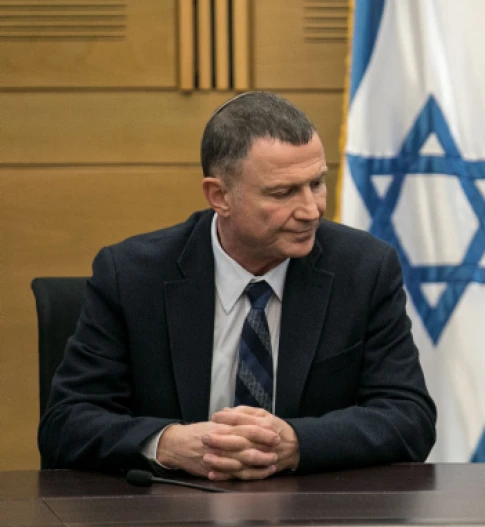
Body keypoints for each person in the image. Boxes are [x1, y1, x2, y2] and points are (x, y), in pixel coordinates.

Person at [39, 92, 437, 479]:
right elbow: (65, 423)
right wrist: (168, 444)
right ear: (219, 196)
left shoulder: (364, 270)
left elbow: (409, 417)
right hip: (167, 520)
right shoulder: (131, 275)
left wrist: (296, 443)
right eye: (283, 192)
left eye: (316, 183)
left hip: (315, 518)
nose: (311, 209)